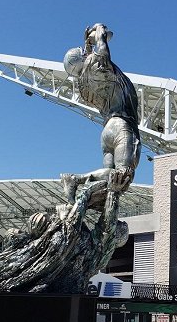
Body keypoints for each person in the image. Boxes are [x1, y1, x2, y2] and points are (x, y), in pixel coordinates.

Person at [60, 23, 141, 203]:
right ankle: (76, 179)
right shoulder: (97, 66)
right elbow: (102, 52)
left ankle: (86, 204)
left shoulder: (84, 85)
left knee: (110, 187)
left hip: (107, 131)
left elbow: (88, 60)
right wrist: (100, 35)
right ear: (83, 58)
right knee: (122, 176)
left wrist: (87, 45)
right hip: (122, 125)